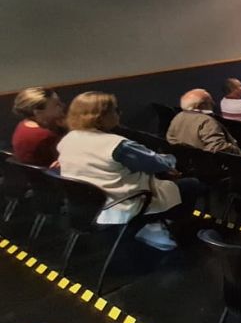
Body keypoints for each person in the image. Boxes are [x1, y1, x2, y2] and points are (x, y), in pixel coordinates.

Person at [57, 92, 199, 251]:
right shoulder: (119, 146)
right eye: (115, 110)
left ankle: (151, 226)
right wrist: (169, 163)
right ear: (100, 116)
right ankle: (166, 230)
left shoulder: (68, 139)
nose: (119, 113)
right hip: (123, 205)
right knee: (191, 184)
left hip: (89, 206)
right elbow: (158, 163)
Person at [167, 89, 241, 189]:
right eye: (210, 100)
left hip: (196, 168)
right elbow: (218, 147)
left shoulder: (178, 117)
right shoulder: (207, 121)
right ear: (203, 104)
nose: (213, 102)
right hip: (222, 166)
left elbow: (171, 139)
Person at [11, 87, 65, 167]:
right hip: (45, 174)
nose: (62, 106)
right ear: (38, 112)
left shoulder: (22, 125)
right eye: (57, 105)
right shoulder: (45, 136)